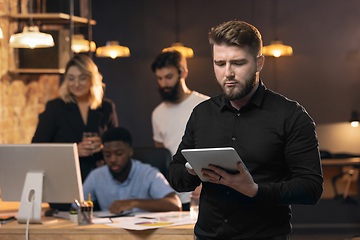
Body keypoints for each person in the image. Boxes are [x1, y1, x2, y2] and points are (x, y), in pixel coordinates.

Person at [168, 20, 323, 240]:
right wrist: (192, 169)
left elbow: (311, 188)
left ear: (259, 63)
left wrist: (256, 190)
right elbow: (176, 176)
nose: (227, 73)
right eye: (220, 63)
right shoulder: (202, 114)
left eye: (238, 63)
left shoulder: (291, 116)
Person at [32, 54, 118, 182]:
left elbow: (117, 145)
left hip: (99, 180)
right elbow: (37, 148)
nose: (76, 84)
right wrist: (73, 152)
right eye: (71, 79)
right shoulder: (55, 107)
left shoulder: (106, 107)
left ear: (91, 79)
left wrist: (102, 146)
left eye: (82, 78)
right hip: (64, 179)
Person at [151, 50, 209, 210]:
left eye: (169, 77)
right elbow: (161, 156)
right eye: (160, 78)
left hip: (202, 192)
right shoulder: (157, 113)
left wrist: (205, 184)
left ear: (183, 72)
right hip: (172, 194)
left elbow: (214, 150)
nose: (164, 84)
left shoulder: (205, 105)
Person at [82, 127, 182, 213]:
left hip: (143, 232)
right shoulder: (96, 176)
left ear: (130, 151)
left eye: (119, 154)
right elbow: (75, 207)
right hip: (109, 232)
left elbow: (175, 204)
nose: (112, 159)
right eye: (107, 155)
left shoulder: (148, 173)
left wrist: (134, 203)